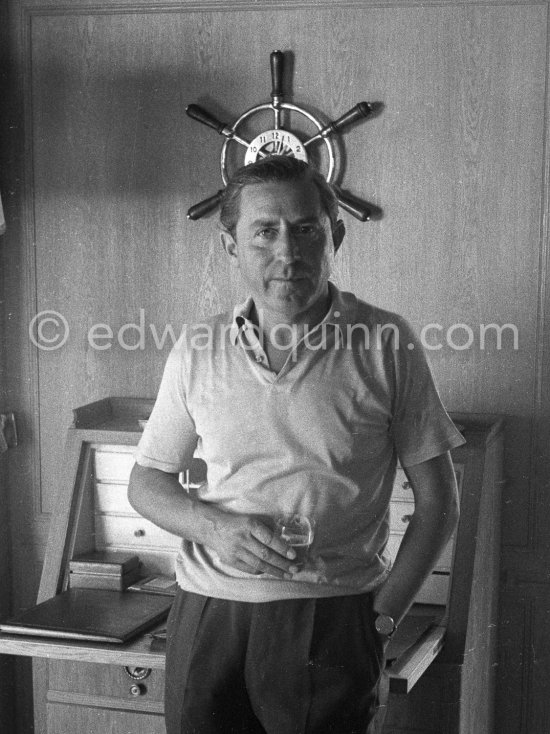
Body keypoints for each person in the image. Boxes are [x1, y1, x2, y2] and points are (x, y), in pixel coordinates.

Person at [128, 155, 465, 734]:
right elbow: (146, 483)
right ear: (231, 244)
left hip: (333, 617)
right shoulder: (196, 347)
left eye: (305, 229)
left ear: (333, 235)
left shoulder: (386, 342)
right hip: (207, 616)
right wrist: (212, 528)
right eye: (263, 231)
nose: (288, 253)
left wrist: (382, 620)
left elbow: (440, 503)